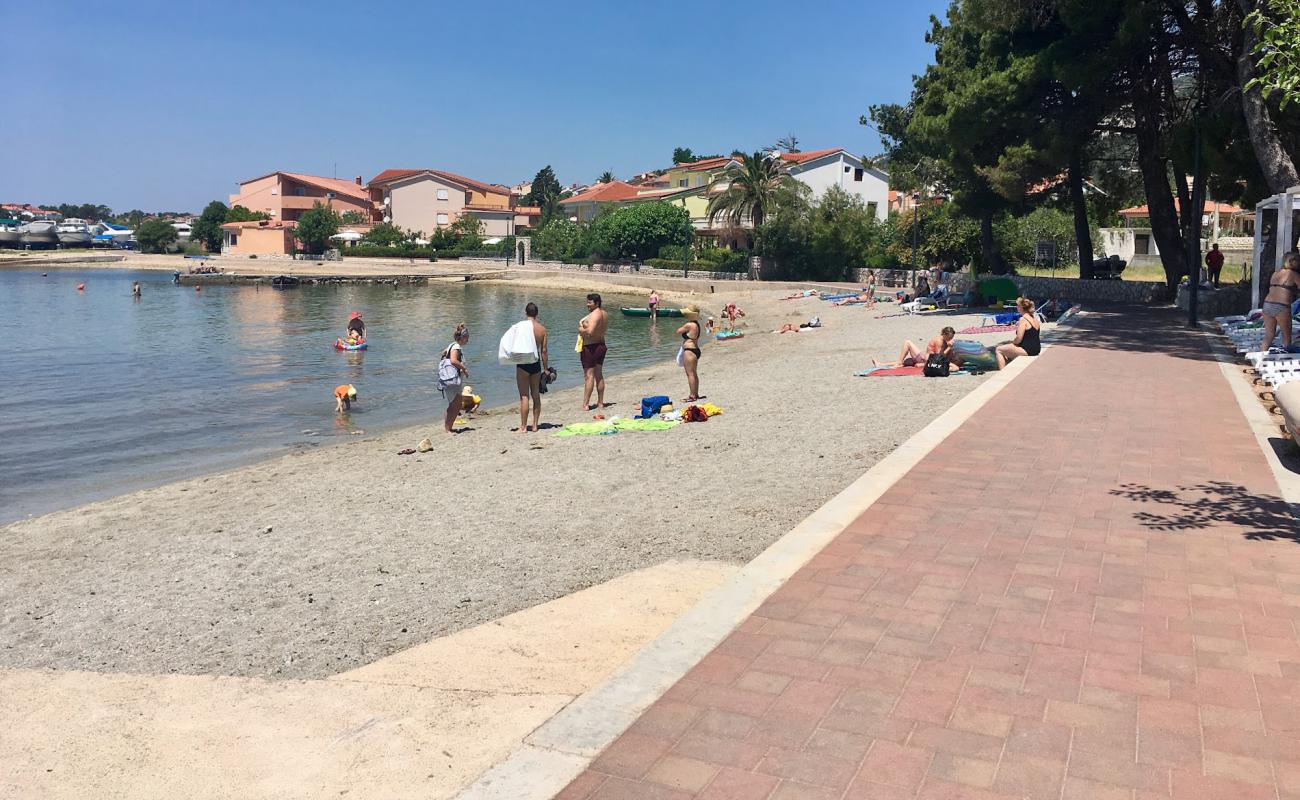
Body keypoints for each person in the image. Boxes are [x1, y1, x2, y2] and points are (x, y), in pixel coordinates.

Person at [516, 302, 549, 432]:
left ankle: (523, 427)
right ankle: (535, 425)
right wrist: (545, 368)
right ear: (537, 313)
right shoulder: (542, 329)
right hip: (535, 363)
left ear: (526, 312)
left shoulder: (521, 327)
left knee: (524, 396)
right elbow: (544, 351)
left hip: (523, 362)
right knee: (535, 394)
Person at [1262, 251, 1300, 353]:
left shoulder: (1275, 273)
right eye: (1298, 260)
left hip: (1267, 305)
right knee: (1286, 336)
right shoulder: (1293, 274)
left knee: (1269, 335)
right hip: (1281, 306)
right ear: (1292, 261)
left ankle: (1262, 358)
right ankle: (1286, 360)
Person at [578, 293, 609, 414]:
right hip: (601, 345)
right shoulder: (604, 314)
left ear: (597, 303)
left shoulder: (595, 315)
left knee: (589, 376)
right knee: (599, 374)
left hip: (591, 347)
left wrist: (580, 328)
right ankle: (600, 402)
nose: (587, 304)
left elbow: (590, 332)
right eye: (587, 302)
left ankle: (585, 404)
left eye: (590, 302)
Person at [995, 298, 1043, 369]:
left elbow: (1018, 339)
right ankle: (1007, 368)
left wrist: (1013, 343)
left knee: (999, 349)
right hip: (1036, 348)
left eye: (1017, 305)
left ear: (1021, 308)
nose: (1016, 307)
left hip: (1027, 350)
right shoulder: (1034, 318)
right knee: (1007, 348)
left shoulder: (1023, 319)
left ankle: (1002, 373)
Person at [873, 326, 956, 367]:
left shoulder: (944, 340)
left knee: (903, 363)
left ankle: (881, 364)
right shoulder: (939, 341)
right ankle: (885, 363)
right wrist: (949, 348)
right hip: (924, 359)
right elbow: (938, 358)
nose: (950, 339)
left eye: (951, 338)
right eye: (949, 337)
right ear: (944, 334)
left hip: (925, 359)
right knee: (907, 342)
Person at [440, 324, 470, 433]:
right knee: (455, 405)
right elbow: (453, 360)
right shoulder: (456, 347)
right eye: (467, 337)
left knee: (455, 405)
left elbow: (443, 354)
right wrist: (464, 368)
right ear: (462, 337)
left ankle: (449, 428)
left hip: (450, 379)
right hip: (452, 380)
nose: (468, 340)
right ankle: (447, 429)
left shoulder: (451, 345)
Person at [677, 305, 703, 402]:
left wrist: (684, 325)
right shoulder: (696, 324)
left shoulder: (689, 325)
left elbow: (678, 331)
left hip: (689, 351)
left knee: (690, 374)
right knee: (694, 373)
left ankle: (692, 395)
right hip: (695, 350)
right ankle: (695, 394)